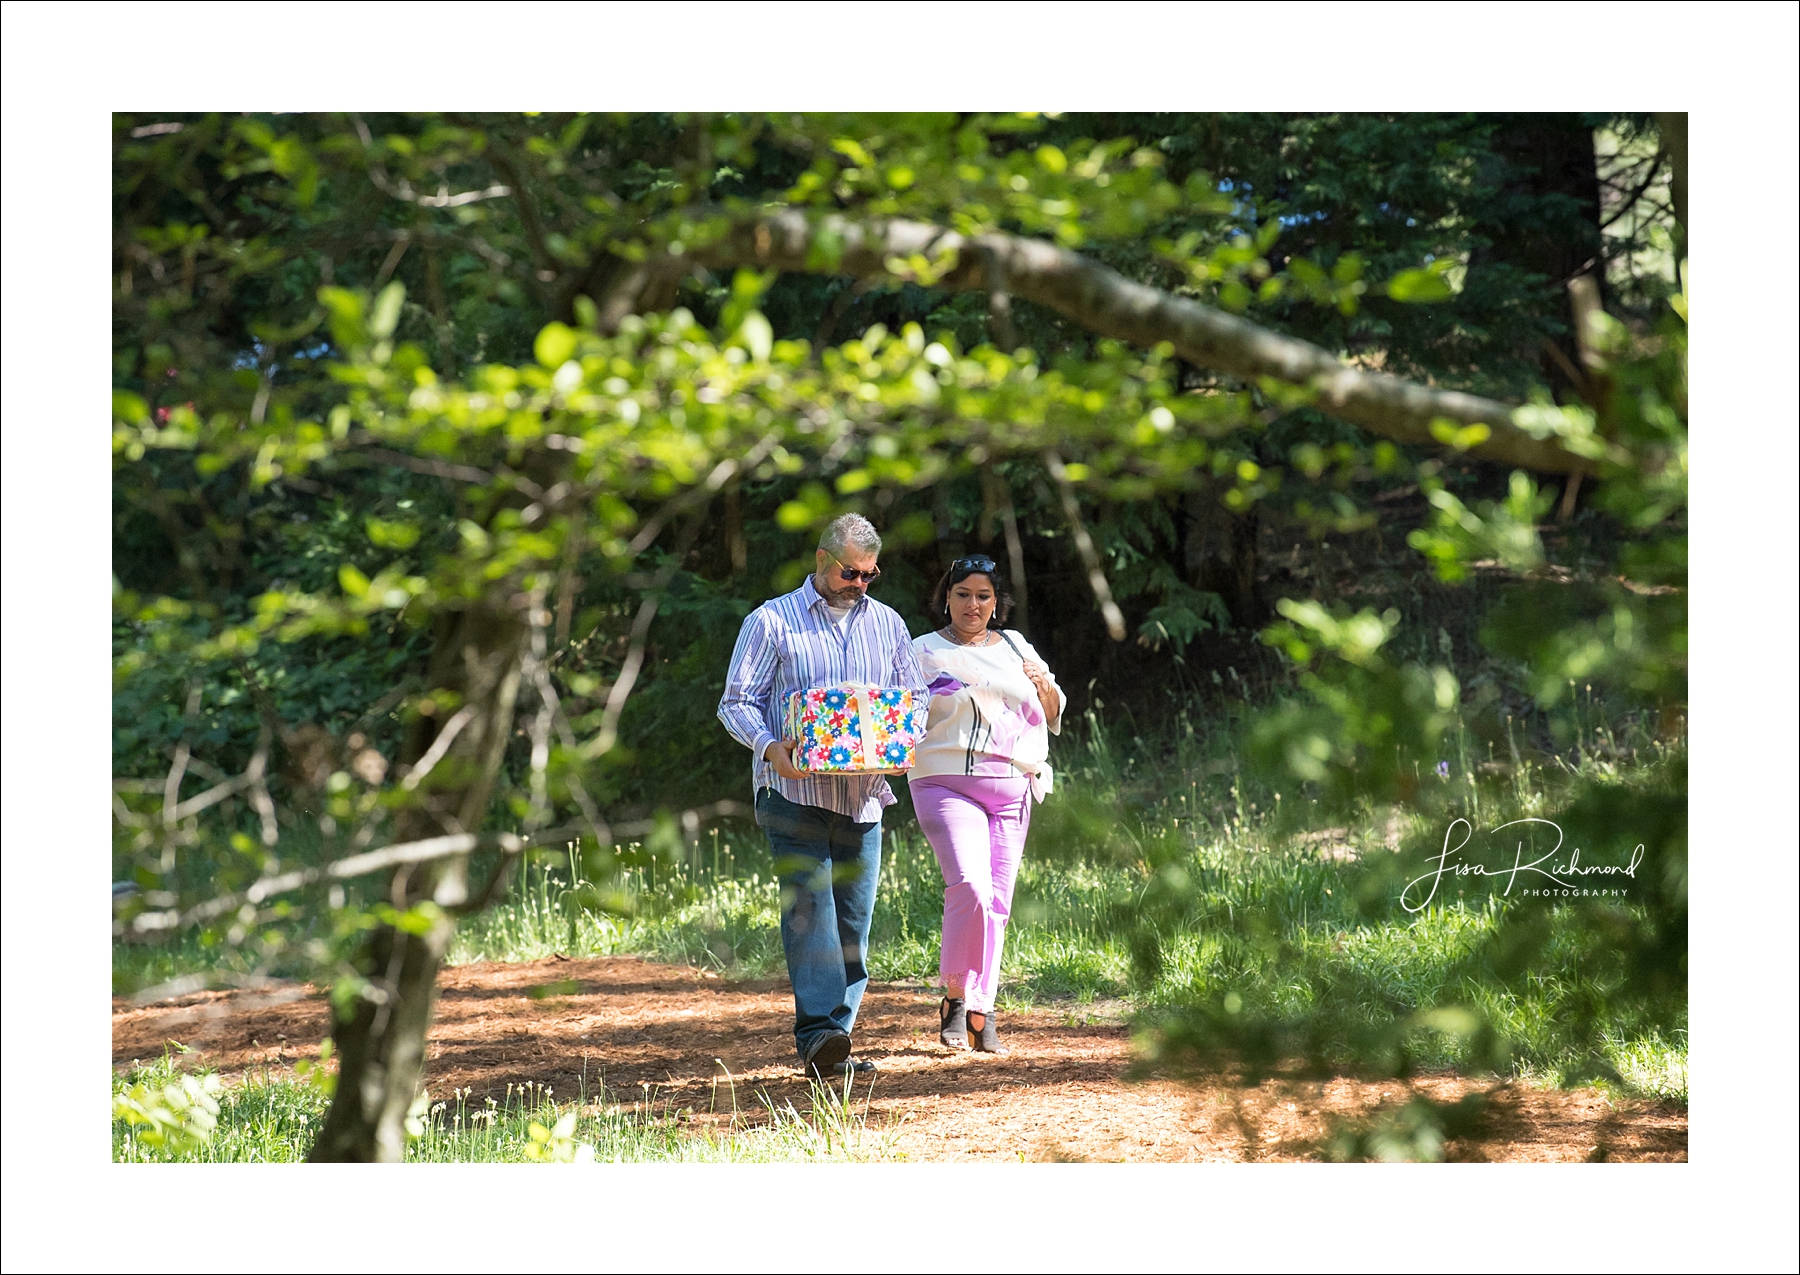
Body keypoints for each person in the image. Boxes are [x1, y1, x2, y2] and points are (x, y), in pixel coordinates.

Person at [717, 513, 928, 1080]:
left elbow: (915, 697)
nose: (860, 584)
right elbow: (735, 702)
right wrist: (768, 747)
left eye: (869, 575)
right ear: (821, 559)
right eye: (850, 573)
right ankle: (818, 1034)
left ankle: (836, 1037)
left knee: (854, 923)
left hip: (863, 796)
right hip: (792, 792)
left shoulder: (887, 624)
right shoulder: (771, 622)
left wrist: (903, 738)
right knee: (812, 912)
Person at [910, 555, 1065, 1055]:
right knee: (971, 888)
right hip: (944, 780)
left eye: (983, 596)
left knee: (998, 903)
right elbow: (900, 713)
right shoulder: (920, 651)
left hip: (1012, 784)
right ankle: (956, 998)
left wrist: (1045, 689)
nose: (972, 604)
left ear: (996, 602)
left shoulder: (1018, 646)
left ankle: (982, 1008)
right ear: (946, 597)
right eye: (962, 594)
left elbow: (1054, 709)